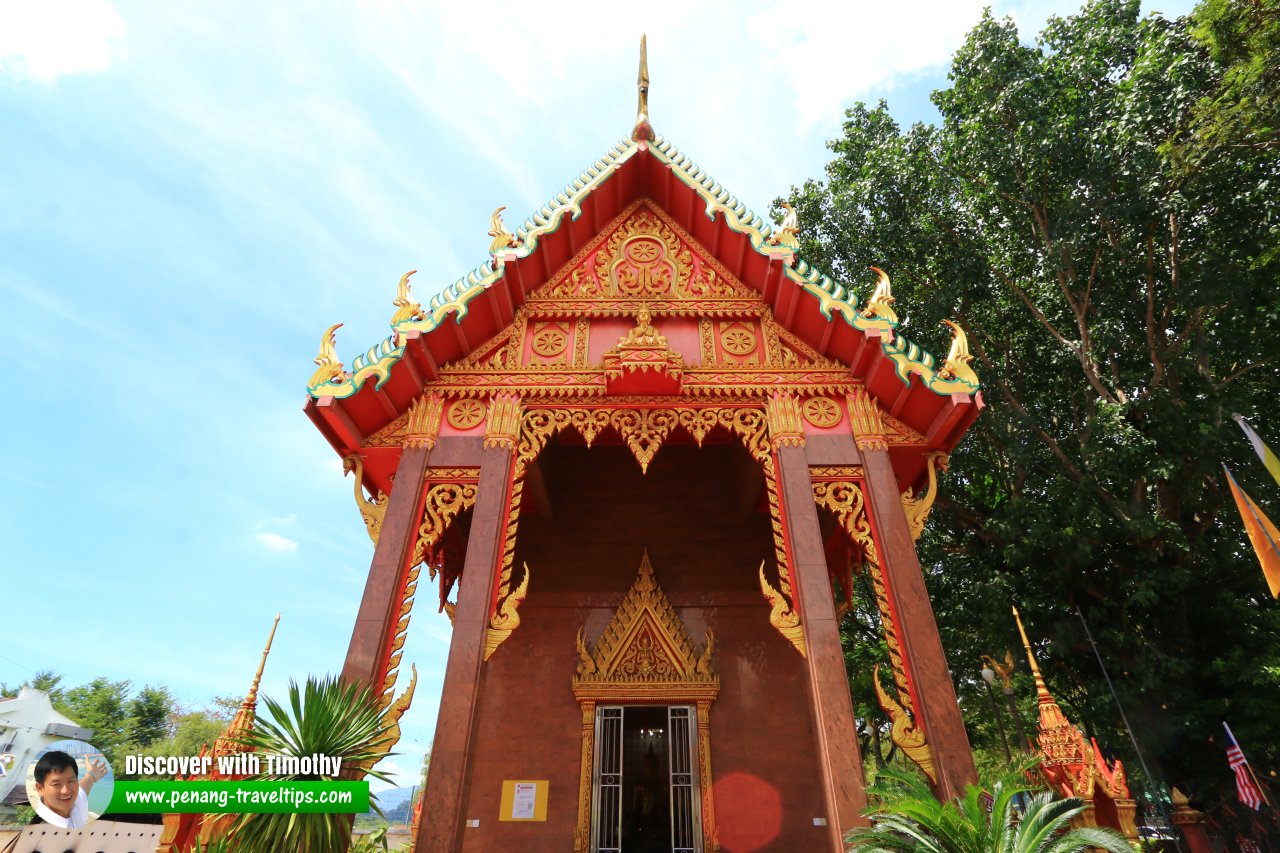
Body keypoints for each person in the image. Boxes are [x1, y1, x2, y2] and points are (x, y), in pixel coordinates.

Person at [33, 750, 107, 829]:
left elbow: (84, 787)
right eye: (56, 784)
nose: (66, 791)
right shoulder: (41, 827)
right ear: (40, 789)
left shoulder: (76, 802)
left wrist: (91, 774)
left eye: (70, 781)